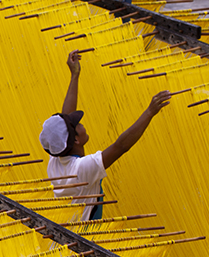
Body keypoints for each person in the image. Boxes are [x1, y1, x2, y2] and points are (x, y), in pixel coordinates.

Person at [38, 50, 172, 221]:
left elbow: (65, 120)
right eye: (78, 124)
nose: (81, 123)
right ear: (76, 139)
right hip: (84, 237)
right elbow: (120, 146)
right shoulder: (82, 169)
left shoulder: (56, 158)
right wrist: (149, 112)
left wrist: (75, 75)